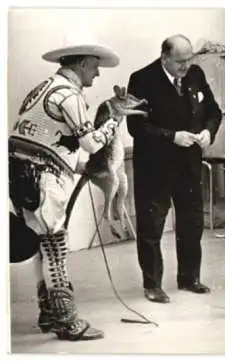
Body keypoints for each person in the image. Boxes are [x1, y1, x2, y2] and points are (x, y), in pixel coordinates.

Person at [9, 40, 126, 340]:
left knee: (42, 241)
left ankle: (48, 312)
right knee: (55, 245)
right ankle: (66, 320)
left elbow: (48, 141)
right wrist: (114, 121)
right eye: (95, 67)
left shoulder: (43, 88)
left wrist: (76, 165)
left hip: (22, 175)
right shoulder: (68, 95)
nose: (97, 75)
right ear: (83, 63)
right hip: (44, 179)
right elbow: (90, 143)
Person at [126, 34, 222, 303]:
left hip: (189, 165)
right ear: (164, 57)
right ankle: (153, 285)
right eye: (180, 61)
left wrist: (207, 132)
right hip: (155, 167)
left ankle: (189, 278)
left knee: (192, 223)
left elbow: (214, 111)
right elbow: (136, 127)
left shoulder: (195, 74)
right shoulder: (141, 79)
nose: (186, 65)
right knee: (152, 227)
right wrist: (172, 136)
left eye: (189, 59)